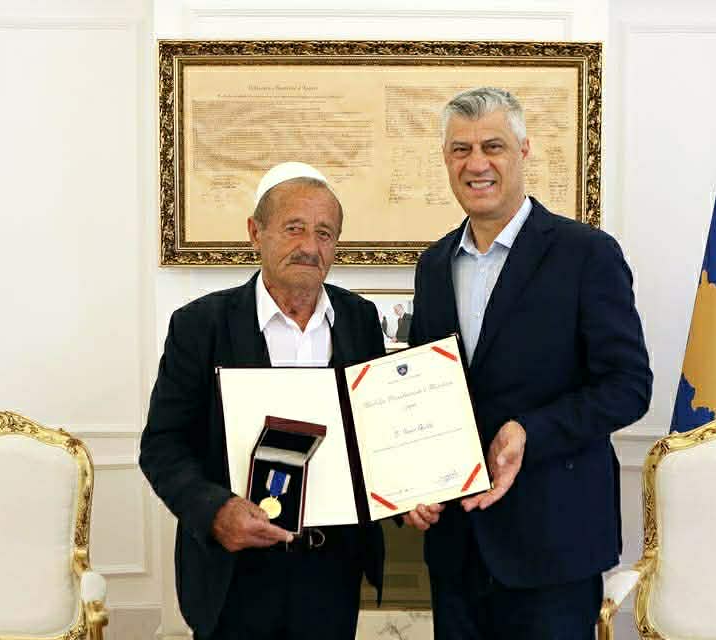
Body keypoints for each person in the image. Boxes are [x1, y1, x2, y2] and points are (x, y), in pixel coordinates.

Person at [404, 87, 652, 639]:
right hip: (457, 548)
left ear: (523, 150)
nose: (476, 164)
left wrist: (529, 431)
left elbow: (629, 386)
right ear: (446, 159)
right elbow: (425, 391)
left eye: (492, 146)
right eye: (461, 149)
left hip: (554, 547)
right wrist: (412, 482)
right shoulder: (433, 265)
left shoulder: (586, 254)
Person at [140, 162, 386, 640]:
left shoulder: (359, 319)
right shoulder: (200, 325)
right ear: (256, 232)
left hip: (332, 571)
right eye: (294, 228)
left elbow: (377, 431)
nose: (310, 246)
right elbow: (162, 446)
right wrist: (215, 512)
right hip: (235, 574)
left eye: (324, 233)